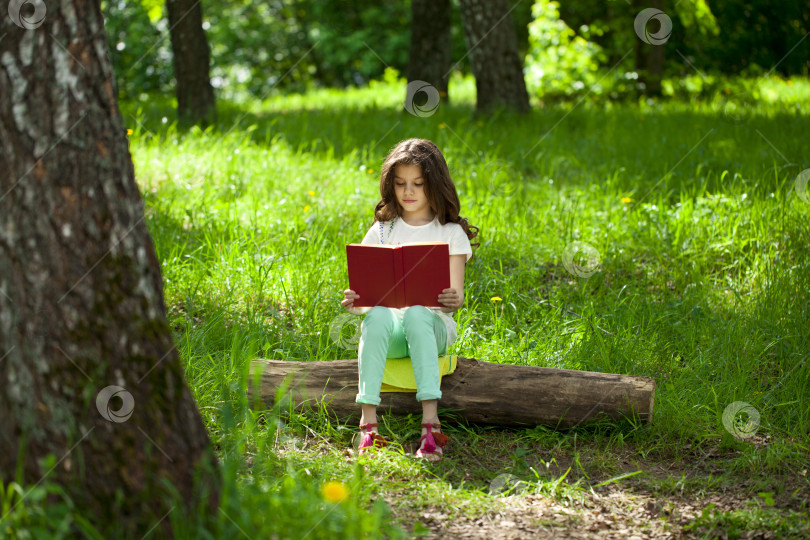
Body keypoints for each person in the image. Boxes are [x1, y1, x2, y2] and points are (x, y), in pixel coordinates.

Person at [341, 138, 479, 461]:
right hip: (393, 330)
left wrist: (450, 299)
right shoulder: (382, 230)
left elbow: (456, 297)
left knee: (417, 312)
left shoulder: (449, 233)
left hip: (434, 327)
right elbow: (368, 300)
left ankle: (430, 425)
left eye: (418, 184)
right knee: (375, 317)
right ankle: (368, 425)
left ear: (435, 184)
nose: (409, 192)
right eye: (401, 184)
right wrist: (357, 301)